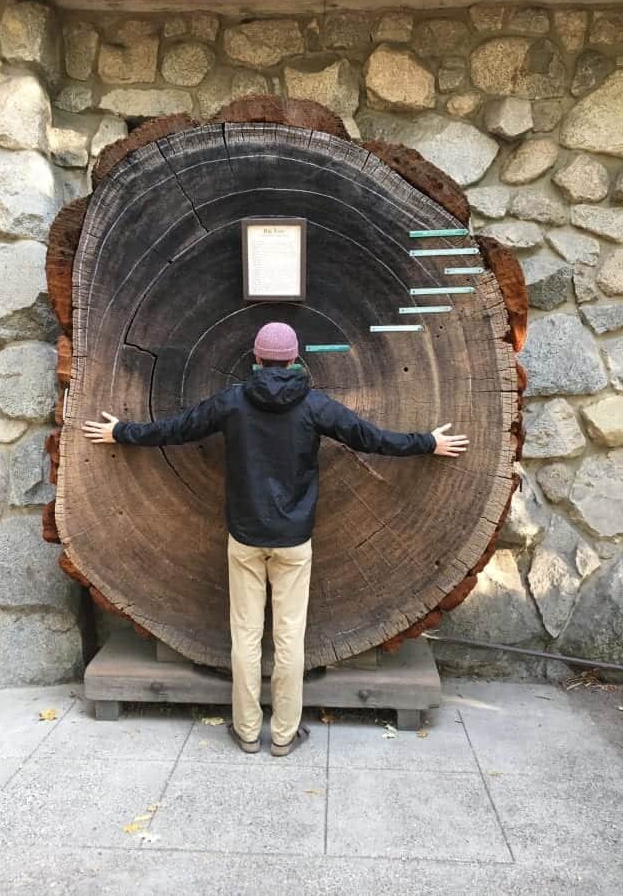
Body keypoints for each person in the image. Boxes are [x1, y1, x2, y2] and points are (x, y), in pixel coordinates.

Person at [81, 322, 469, 756]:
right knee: (289, 637)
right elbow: (372, 438)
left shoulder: (232, 402)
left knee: (245, 636)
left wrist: (120, 432)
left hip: (245, 538)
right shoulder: (315, 406)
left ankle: (246, 732)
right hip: (293, 540)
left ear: (256, 357)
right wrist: (427, 442)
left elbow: (177, 429)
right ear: (296, 358)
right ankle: (284, 735)